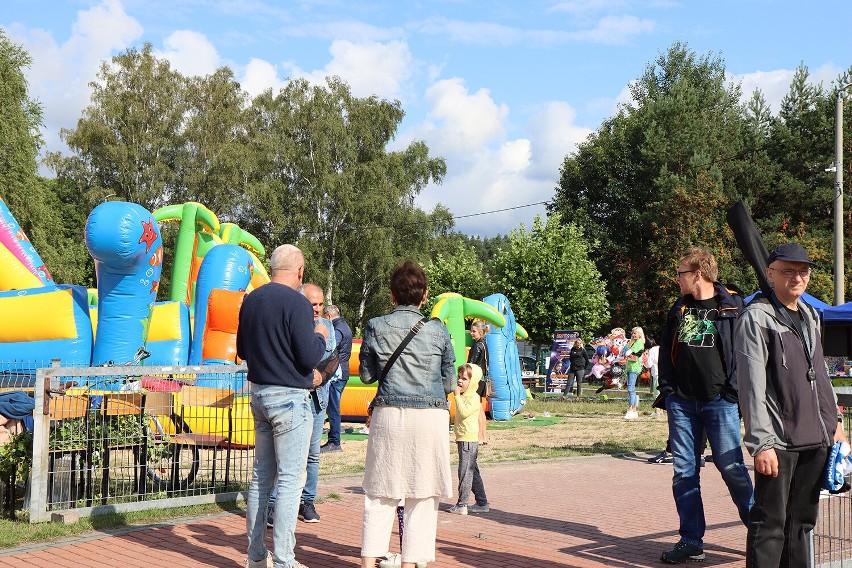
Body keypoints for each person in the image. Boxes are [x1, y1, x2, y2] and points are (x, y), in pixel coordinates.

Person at [737, 243, 848, 567]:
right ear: (770, 274)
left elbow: (821, 376)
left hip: (816, 438)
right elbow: (751, 386)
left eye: (803, 271)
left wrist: (836, 425)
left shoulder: (811, 314)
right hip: (779, 440)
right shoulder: (756, 317)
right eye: (788, 271)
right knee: (769, 526)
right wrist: (762, 443)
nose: (797, 277)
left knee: (801, 526)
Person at [657, 246, 754, 564]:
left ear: (697, 274)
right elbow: (665, 351)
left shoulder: (733, 305)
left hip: (720, 402)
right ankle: (691, 540)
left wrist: (733, 392)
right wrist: (669, 391)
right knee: (684, 472)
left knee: (732, 468)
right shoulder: (679, 308)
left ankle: (761, 532)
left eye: (680, 273)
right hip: (682, 404)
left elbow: (745, 351)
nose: (677, 279)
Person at [237, 244, 329, 568]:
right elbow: (308, 356)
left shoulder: (251, 300)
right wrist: (319, 335)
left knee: (261, 478)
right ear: (300, 271)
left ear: (272, 267)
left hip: (259, 395)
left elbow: (242, 350)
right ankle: (285, 561)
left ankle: (256, 557)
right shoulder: (298, 304)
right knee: (291, 480)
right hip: (289, 399)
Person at [359, 260, 455, 568]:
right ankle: (410, 563)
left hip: (390, 415)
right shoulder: (438, 331)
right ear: (424, 295)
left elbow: (366, 375)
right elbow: (450, 381)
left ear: (392, 295)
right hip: (430, 417)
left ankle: (368, 562)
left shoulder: (375, 325)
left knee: (380, 493)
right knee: (423, 496)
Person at [449, 363, 490, 515]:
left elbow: (464, 412)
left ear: (472, 382)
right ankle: (482, 502)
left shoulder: (473, 397)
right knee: (472, 471)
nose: (460, 381)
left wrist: (457, 396)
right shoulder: (465, 395)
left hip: (468, 440)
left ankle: (462, 504)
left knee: (465, 472)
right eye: (459, 378)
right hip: (462, 438)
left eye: (464, 379)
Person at [321, 304, 353, 453]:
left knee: (333, 408)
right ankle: (334, 439)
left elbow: (331, 346)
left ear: (328, 316)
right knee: (333, 407)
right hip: (342, 371)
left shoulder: (337, 329)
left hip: (336, 373)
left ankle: (335, 442)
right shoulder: (344, 326)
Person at [466, 320, 489, 445]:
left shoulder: (477, 346)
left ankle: (480, 437)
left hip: (476, 380)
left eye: (474, 331)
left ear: (481, 332)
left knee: (478, 410)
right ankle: (484, 436)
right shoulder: (484, 344)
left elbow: (471, 365)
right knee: (480, 409)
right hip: (483, 380)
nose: (471, 334)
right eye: (471, 331)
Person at [623, 327, 645, 419]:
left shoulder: (639, 342)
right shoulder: (632, 342)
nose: (633, 335)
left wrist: (628, 353)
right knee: (630, 387)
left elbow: (628, 352)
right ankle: (634, 408)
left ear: (639, 334)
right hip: (629, 367)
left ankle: (631, 409)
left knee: (630, 388)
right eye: (632, 333)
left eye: (635, 333)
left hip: (634, 368)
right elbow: (625, 350)